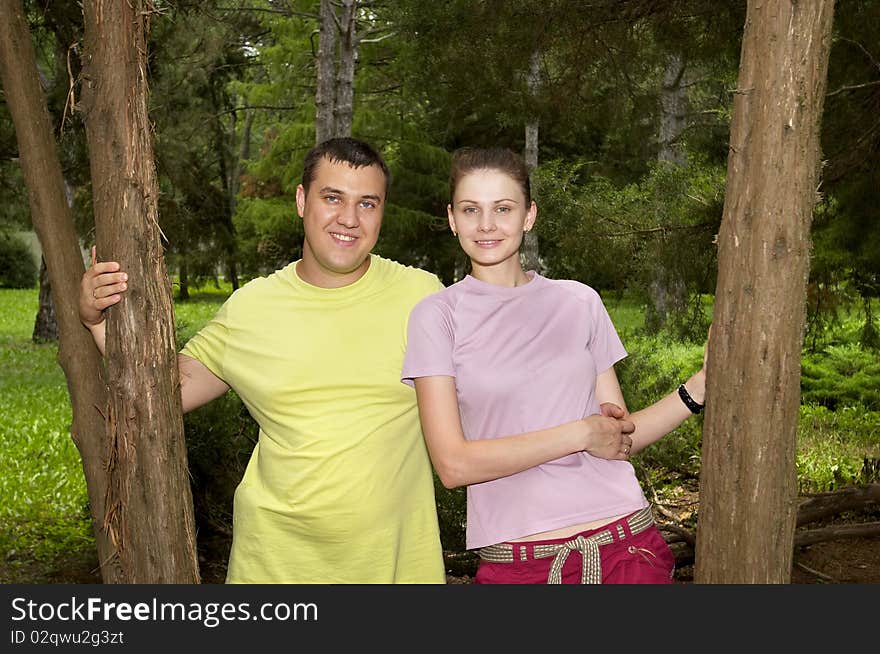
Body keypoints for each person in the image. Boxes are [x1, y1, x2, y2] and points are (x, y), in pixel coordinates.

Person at [80, 137, 448, 584]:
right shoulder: (251, 308)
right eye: (332, 198)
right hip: (274, 569)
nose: (349, 219)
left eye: (367, 204)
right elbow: (164, 393)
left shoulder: (423, 297)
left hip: (395, 570)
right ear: (301, 200)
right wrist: (97, 320)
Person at [401, 146, 708, 584]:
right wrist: (579, 433)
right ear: (453, 219)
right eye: (471, 210)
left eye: (503, 208)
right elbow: (453, 465)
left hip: (626, 546)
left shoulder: (579, 301)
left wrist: (699, 386)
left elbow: (619, 438)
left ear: (529, 216)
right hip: (520, 563)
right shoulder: (437, 317)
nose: (486, 225)